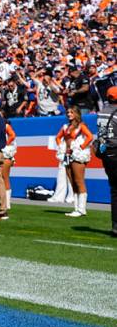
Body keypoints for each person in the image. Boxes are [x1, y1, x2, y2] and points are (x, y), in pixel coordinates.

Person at [58, 106, 94, 218]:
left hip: (77, 155)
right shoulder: (65, 126)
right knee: (72, 182)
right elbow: (58, 138)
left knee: (79, 181)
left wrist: (80, 147)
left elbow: (90, 137)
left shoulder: (81, 126)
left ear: (76, 114)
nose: (69, 114)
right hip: (67, 155)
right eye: (68, 112)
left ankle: (82, 209)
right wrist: (62, 147)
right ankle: (76, 208)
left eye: (71, 112)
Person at [92, 86, 117, 236]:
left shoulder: (102, 112)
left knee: (114, 190)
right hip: (116, 150)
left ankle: (115, 225)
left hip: (106, 154)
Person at [2, 120, 16, 213]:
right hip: (4, 155)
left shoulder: (7, 128)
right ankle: (3, 201)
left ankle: (7, 203)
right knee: (1, 178)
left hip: (7, 156)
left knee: (4, 177)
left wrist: (4, 145)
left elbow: (13, 136)